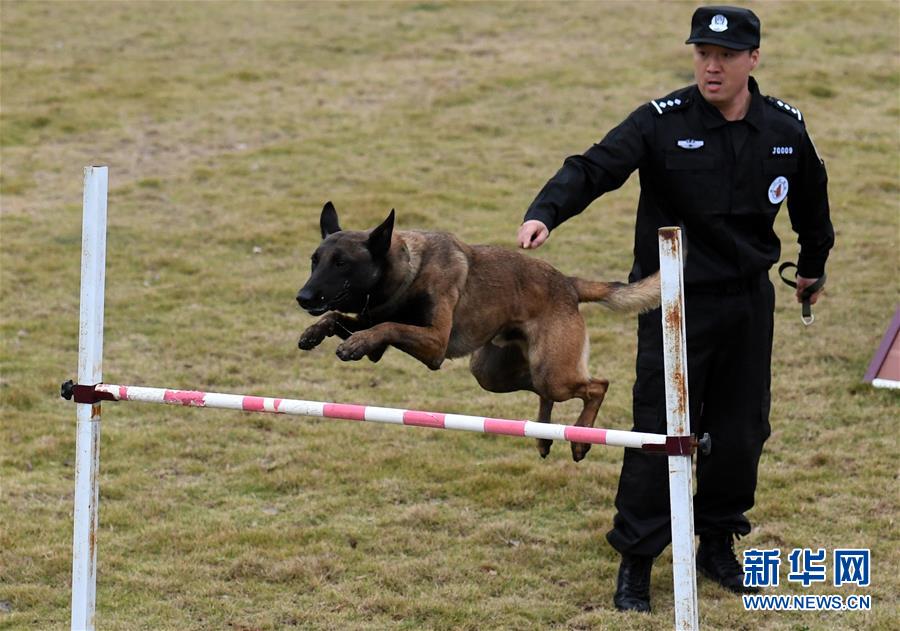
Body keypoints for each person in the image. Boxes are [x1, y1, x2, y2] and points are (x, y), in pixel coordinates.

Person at [516, 5, 834, 613]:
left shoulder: (785, 128)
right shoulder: (661, 121)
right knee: (658, 432)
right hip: (671, 304)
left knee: (741, 431)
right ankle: (637, 559)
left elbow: (812, 204)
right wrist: (545, 212)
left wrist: (813, 265)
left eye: (725, 57)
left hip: (745, 303)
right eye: (702, 55)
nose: (711, 68)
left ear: (753, 59)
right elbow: (594, 167)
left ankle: (716, 540)